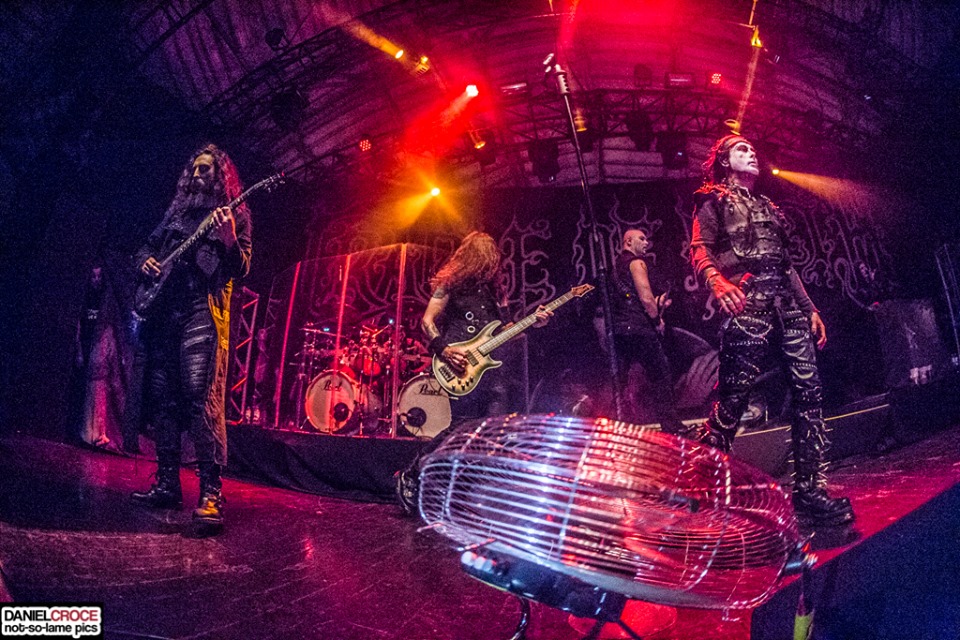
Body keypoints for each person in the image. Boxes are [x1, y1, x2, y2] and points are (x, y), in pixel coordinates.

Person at [688, 134, 854, 527]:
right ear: (724, 161)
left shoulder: (767, 206)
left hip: (788, 309)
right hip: (749, 305)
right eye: (740, 149)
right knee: (732, 403)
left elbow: (786, 264)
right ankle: (701, 490)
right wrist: (717, 281)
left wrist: (810, 308)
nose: (751, 153)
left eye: (751, 148)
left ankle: (810, 493)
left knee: (809, 396)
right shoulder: (711, 200)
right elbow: (699, 248)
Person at [131, 144, 252, 533]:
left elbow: (242, 269)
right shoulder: (177, 214)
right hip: (165, 312)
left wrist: (229, 239)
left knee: (201, 400)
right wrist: (145, 262)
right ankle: (168, 484)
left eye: (205, 171)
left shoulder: (234, 216)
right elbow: (146, 248)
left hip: (202, 310)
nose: (198, 176)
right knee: (164, 399)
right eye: (194, 170)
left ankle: (211, 494)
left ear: (220, 177)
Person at [395, 231, 550, 514]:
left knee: (491, 432)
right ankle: (412, 472)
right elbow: (428, 320)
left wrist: (533, 322)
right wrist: (443, 350)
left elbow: (506, 331)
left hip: (492, 370)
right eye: (489, 256)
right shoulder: (451, 284)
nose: (493, 263)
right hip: (459, 366)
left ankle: (467, 495)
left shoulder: (497, 291)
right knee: (461, 427)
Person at [609, 228, 685, 434]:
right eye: (641, 239)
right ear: (628, 242)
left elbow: (629, 298)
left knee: (620, 380)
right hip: (640, 329)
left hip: (620, 331)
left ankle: (617, 426)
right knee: (660, 375)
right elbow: (645, 297)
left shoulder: (615, 267)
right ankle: (672, 427)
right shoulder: (637, 263)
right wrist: (656, 319)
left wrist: (658, 303)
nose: (646, 243)